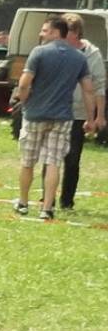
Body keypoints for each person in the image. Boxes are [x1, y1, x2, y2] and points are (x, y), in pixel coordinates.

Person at [11, 17, 99, 219]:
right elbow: (88, 90)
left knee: (28, 162)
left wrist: (22, 99)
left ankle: (23, 203)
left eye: (44, 30)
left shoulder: (38, 52)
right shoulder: (78, 57)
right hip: (62, 118)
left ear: (55, 32)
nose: (41, 34)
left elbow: (24, 84)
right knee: (53, 163)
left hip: (34, 115)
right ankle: (47, 208)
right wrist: (90, 118)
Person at [58, 13, 106, 211]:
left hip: (78, 114)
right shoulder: (56, 50)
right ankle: (47, 199)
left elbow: (98, 86)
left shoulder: (92, 53)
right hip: (56, 111)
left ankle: (67, 202)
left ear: (77, 32)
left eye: (66, 31)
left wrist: (99, 115)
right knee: (51, 159)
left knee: (72, 160)